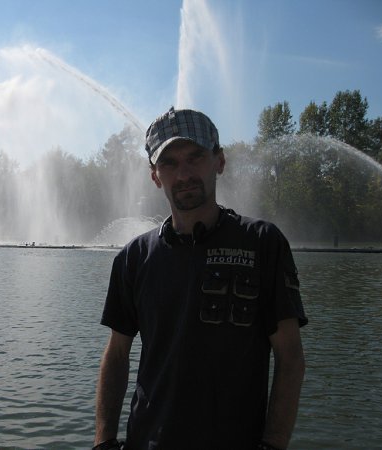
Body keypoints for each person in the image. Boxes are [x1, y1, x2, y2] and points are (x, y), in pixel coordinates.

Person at [93, 107, 307, 450]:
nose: (184, 174)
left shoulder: (262, 243)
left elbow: (290, 357)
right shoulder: (134, 257)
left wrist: (274, 444)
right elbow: (117, 355)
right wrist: (103, 441)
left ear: (219, 161)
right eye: (169, 163)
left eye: (195, 157)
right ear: (155, 176)